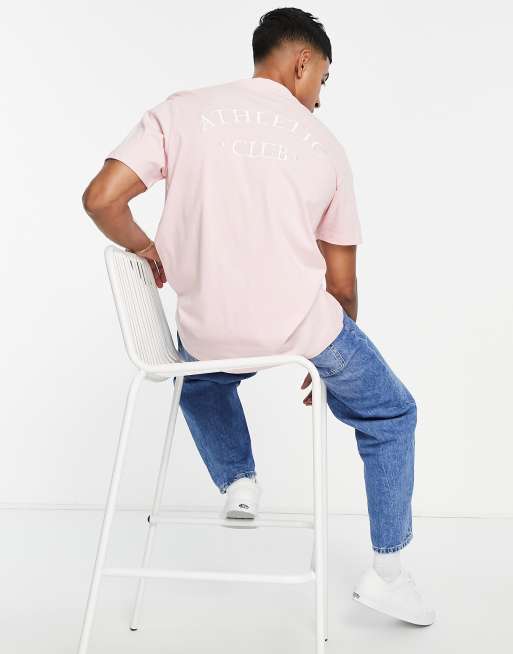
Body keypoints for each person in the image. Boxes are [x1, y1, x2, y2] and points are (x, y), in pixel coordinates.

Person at [82, 7, 435, 627]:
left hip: (204, 334)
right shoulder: (324, 145)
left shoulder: (180, 111)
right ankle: (388, 574)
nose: (319, 97)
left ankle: (238, 481)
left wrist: (146, 249)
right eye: (322, 80)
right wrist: (329, 363)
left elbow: (101, 199)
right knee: (390, 412)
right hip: (303, 333)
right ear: (303, 62)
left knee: (199, 376)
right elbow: (342, 284)